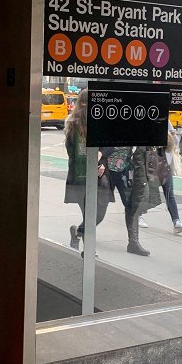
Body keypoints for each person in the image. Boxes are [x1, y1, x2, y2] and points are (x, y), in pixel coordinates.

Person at [64, 89, 115, 250]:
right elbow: (73, 154)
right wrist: (91, 162)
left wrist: (101, 159)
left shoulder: (100, 120)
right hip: (80, 177)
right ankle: (88, 250)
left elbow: (109, 146)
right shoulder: (73, 123)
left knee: (99, 213)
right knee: (89, 212)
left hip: (100, 175)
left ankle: (78, 231)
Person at [103, 146, 161, 256]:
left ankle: (133, 242)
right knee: (100, 205)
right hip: (107, 169)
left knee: (131, 206)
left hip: (125, 170)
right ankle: (82, 230)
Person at [139, 122, 182, 234]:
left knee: (169, 193)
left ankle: (177, 222)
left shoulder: (166, 121)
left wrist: (172, 134)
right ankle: (138, 216)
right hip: (150, 163)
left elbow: (176, 143)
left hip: (164, 163)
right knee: (144, 192)